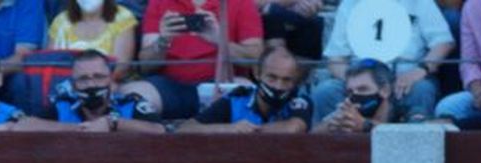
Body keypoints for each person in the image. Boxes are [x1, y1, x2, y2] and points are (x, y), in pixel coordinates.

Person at [314, 0, 453, 123]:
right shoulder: (350, 4)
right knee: (325, 91)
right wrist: (354, 82)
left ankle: (416, 145)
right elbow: (335, 58)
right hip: (358, 78)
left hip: (405, 79)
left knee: (422, 89)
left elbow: (443, 42)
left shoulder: (420, 2)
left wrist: (421, 70)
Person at [136, 0, 264, 119]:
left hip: (221, 85)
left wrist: (219, 41)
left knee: (248, 91)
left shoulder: (241, 2)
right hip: (168, 87)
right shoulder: (160, 2)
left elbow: (255, 59)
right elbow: (146, 66)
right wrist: (163, 40)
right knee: (133, 95)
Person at [17, 47, 164, 130]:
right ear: (73, 85)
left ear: (111, 80)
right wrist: (79, 129)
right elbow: (24, 126)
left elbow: (160, 131)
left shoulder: (130, 103)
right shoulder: (63, 105)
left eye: (98, 76)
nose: (92, 84)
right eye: (83, 79)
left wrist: (113, 123)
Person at [177, 43, 310, 132]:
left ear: (295, 81)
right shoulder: (236, 99)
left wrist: (249, 130)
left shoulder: (299, 101)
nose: (278, 86)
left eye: (286, 80)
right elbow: (186, 129)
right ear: (257, 73)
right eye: (272, 77)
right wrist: (229, 129)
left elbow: (294, 127)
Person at [46, 0, 139, 75]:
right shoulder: (60, 22)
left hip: (111, 88)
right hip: (66, 87)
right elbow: (49, 64)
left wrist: (91, 82)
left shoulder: (123, 17)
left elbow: (120, 68)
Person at [314, 57, 394, 132]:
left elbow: (398, 136)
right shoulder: (348, 110)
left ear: (385, 91)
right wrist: (331, 125)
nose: (355, 95)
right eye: (350, 91)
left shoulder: (403, 109)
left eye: (363, 89)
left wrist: (364, 125)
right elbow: (312, 134)